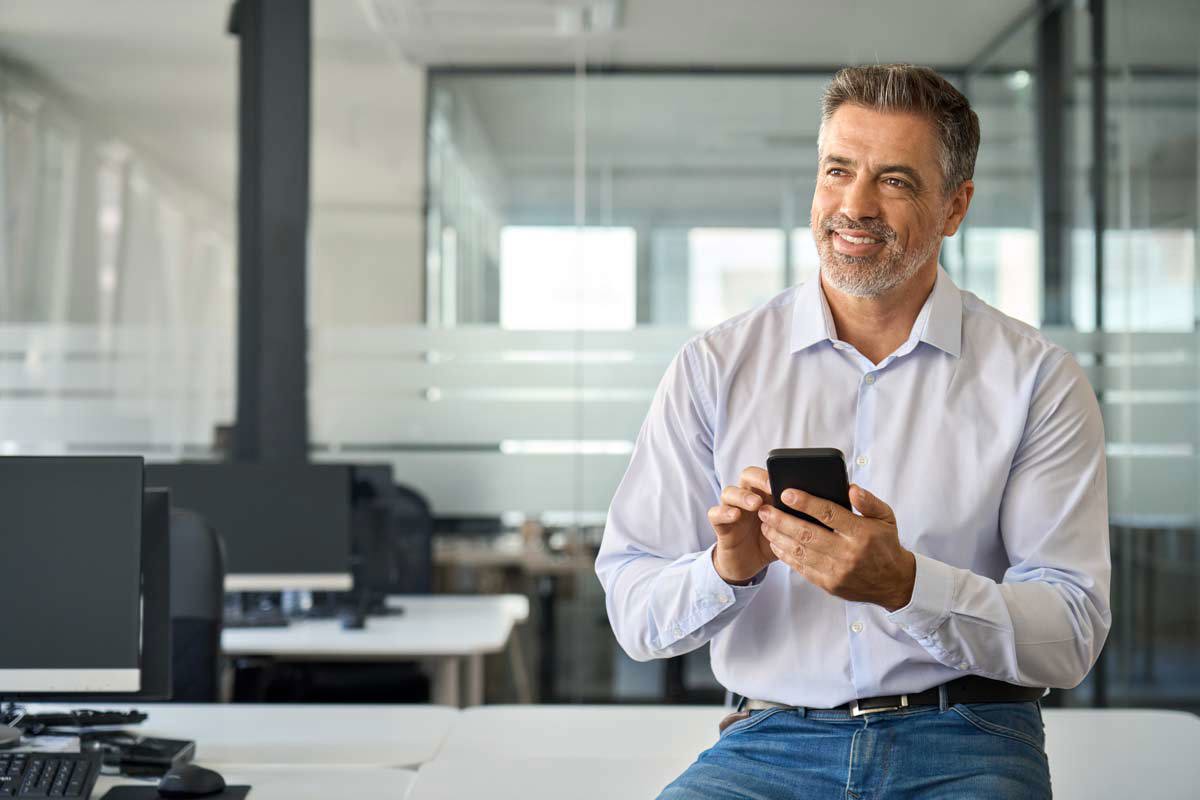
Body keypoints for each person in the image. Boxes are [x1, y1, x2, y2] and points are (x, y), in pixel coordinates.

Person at [595, 64, 1110, 799]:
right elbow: (634, 612)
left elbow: (1072, 631)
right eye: (838, 171)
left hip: (969, 739)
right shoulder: (715, 366)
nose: (854, 206)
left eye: (894, 181)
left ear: (955, 207)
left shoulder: (1038, 380)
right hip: (768, 742)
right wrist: (726, 570)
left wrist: (908, 586)